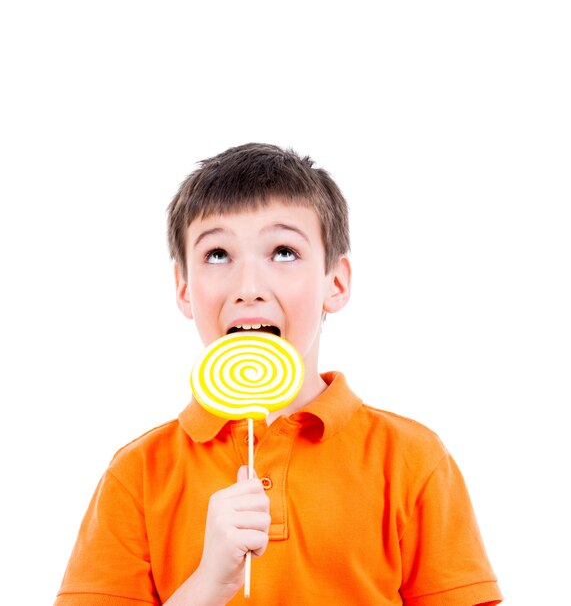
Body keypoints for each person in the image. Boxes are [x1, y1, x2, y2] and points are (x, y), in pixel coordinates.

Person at [55, 143, 503, 606]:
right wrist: (208, 583)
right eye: (217, 254)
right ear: (184, 289)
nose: (249, 288)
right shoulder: (138, 475)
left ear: (336, 282)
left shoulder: (412, 461)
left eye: (284, 252)